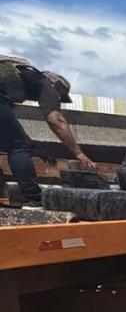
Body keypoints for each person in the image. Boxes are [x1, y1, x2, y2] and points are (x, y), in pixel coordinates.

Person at [0, 57, 97, 207]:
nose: (56, 97)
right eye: (59, 94)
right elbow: (56, 121)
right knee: (17, 147)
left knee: (16, 142)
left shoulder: (16, 80)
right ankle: (33, 198)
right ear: (54, 82)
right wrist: (79, 154)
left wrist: (33, 146)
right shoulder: (46, 83)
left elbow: (9, 127)